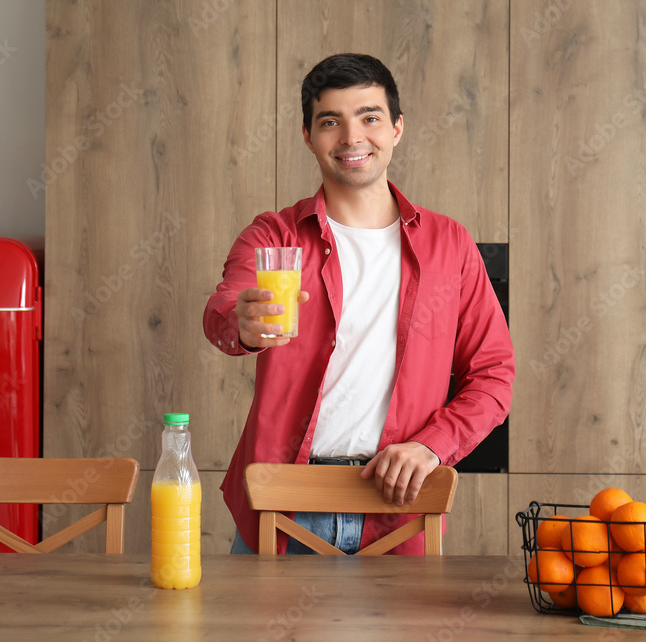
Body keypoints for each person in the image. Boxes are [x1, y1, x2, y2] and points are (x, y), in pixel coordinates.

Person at [203, 53, 515, 555]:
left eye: (369, 118)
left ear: (396, 129)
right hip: (282, 508)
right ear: (308, 136)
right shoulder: (274, 235)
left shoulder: (450, 244)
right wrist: (241, 323)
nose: (352, 138)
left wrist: (432, 445)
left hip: (400, 513)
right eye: (331, 122)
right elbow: (222, 309)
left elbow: (494, 374)